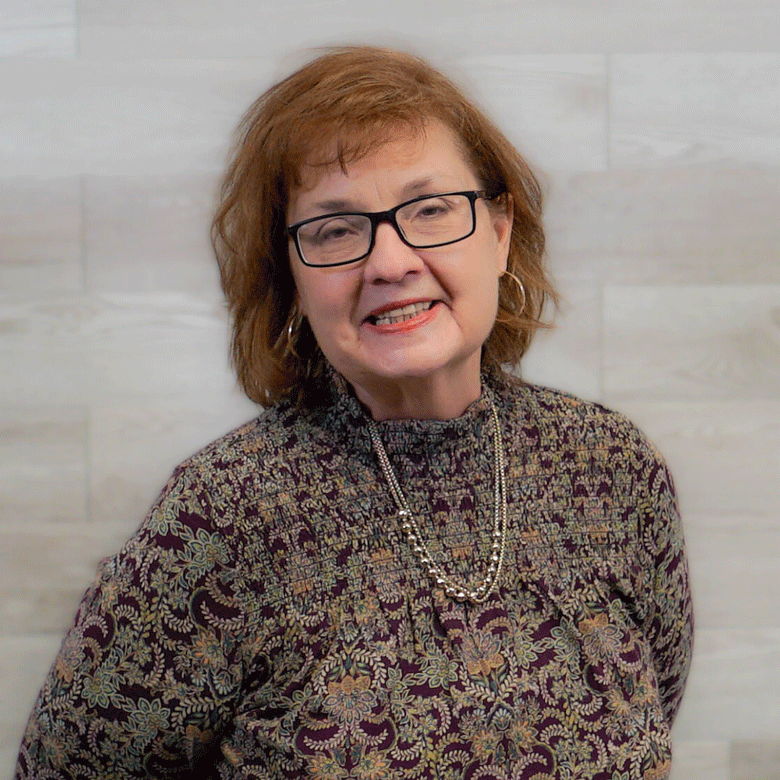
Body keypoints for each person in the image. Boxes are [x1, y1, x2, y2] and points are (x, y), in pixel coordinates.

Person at [15, 46, 693, 780]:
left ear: (499, 233)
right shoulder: (223, 514)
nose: (390, 262)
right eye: (336, 230)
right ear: (292, 281)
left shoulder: (611, 468)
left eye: (430, 210)